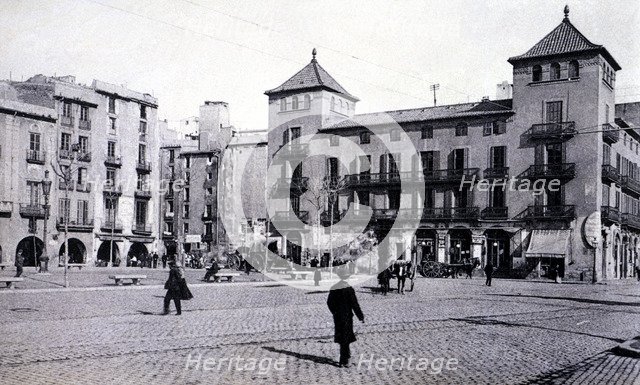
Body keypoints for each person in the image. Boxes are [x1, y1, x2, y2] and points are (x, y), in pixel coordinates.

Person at [327, 266, 364, 368]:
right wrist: (360, 316)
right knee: (346, 339)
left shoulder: (334, 287)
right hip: (347, 317)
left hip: (338, 317)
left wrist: (334, 312)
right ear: (347, 277)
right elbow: (355, 304)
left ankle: (342, 359)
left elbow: (329, 303)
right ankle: (345, 360)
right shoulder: (349, 289)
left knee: (342, 338)